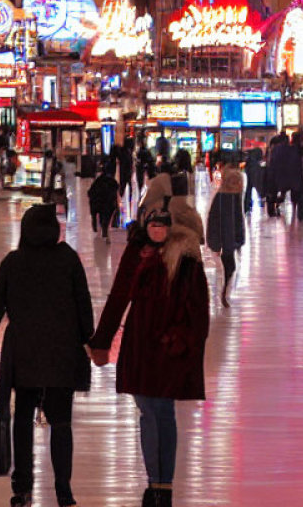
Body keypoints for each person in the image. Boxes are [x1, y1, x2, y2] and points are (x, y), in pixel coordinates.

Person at [0, 202, 93, 507]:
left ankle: (22, 487)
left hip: (23, 353)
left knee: (22, 419)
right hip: (62, 351)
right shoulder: (68, 260)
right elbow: (83, 305)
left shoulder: (14, 262)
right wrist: (88, 341)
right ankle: (64, 491)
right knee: (61, 422)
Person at [89, 210, 209, 507]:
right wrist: (101, 342)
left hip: (167, 351)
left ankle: (161, 485)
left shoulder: (185, 259)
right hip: (141, 347)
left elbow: (199, 310)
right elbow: (118, 296)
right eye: (153, 226)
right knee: (148, 411)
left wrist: (180, 342)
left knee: (162, 412)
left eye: (162, 226)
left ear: (170, 229)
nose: (157, 231)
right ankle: (155, 481)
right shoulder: (137, 254)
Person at [206, 162, 245, 308]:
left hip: (227, 240)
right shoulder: (226, 198)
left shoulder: (229, 197)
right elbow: (217, 220)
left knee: (230, 266)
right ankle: (223, 293)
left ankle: (224, 292)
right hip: (225, 241)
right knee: (230, 265)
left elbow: (237, 219)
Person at [266, 133, 303, 220]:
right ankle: (299, 214)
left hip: (278, 176)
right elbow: (298, 163)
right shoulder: (293, 149)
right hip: (292, 176)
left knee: (274, 192)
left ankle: (272, 211)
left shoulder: (276, 150)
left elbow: (272, 164)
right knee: (298, 193)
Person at [87, 165, 119, 241]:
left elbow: (90, 192)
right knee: (106, 213)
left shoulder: (98, 181)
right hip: (108, 203)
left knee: (101, 212)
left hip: (97, 203)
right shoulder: (113, 182)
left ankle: (97, 224)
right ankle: (104, 228)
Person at [243, 146, 265, 214]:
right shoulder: (255, 164)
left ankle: (247, 205)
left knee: (248, 190)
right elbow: (257, 182)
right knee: (250, 189)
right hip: (253, 174)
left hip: (249, 175)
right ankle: (248, 205)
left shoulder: (250, 160)